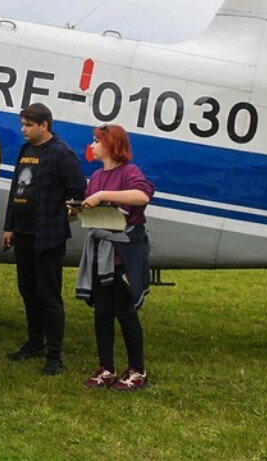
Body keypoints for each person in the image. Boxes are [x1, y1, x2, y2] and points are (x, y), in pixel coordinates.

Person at [2, 103, 86, 375]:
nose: (23, 129)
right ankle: (34, 343)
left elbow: (78, 192)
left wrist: (60, 216)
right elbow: (17, 190)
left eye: (28, 124)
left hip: (48, 238)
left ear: (44, 125)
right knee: (28, 291)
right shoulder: (26, 151)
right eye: (22, 124)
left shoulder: (62, 153)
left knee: (48, 296)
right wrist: (9, 226)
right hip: (23, 235)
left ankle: (54, 355)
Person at [72, 124, 154, 391]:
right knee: (103, 312)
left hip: (122, 253)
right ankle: (106, 367)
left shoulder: (129, 172)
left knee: (125, 312)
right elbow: (92, 209)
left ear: (112, 145)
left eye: (97, 141)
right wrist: (76, 210)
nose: (92, 145)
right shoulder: (95, 176)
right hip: (99, 254)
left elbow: (143, 195)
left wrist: (103, 195)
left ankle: (137, 370)